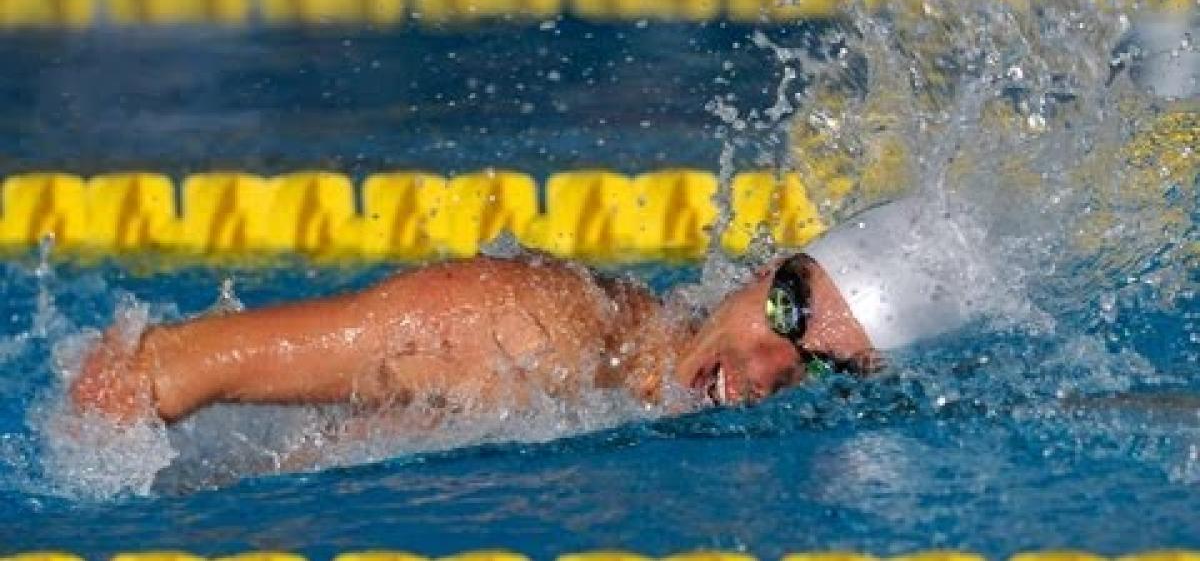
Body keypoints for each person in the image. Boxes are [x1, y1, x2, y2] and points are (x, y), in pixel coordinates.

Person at [70, 198, 972, 427]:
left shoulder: (642, 390)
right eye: (788, 306)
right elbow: (144, 369)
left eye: (830, 369)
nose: (774, 367)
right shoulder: (525, 330)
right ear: (760, 269)